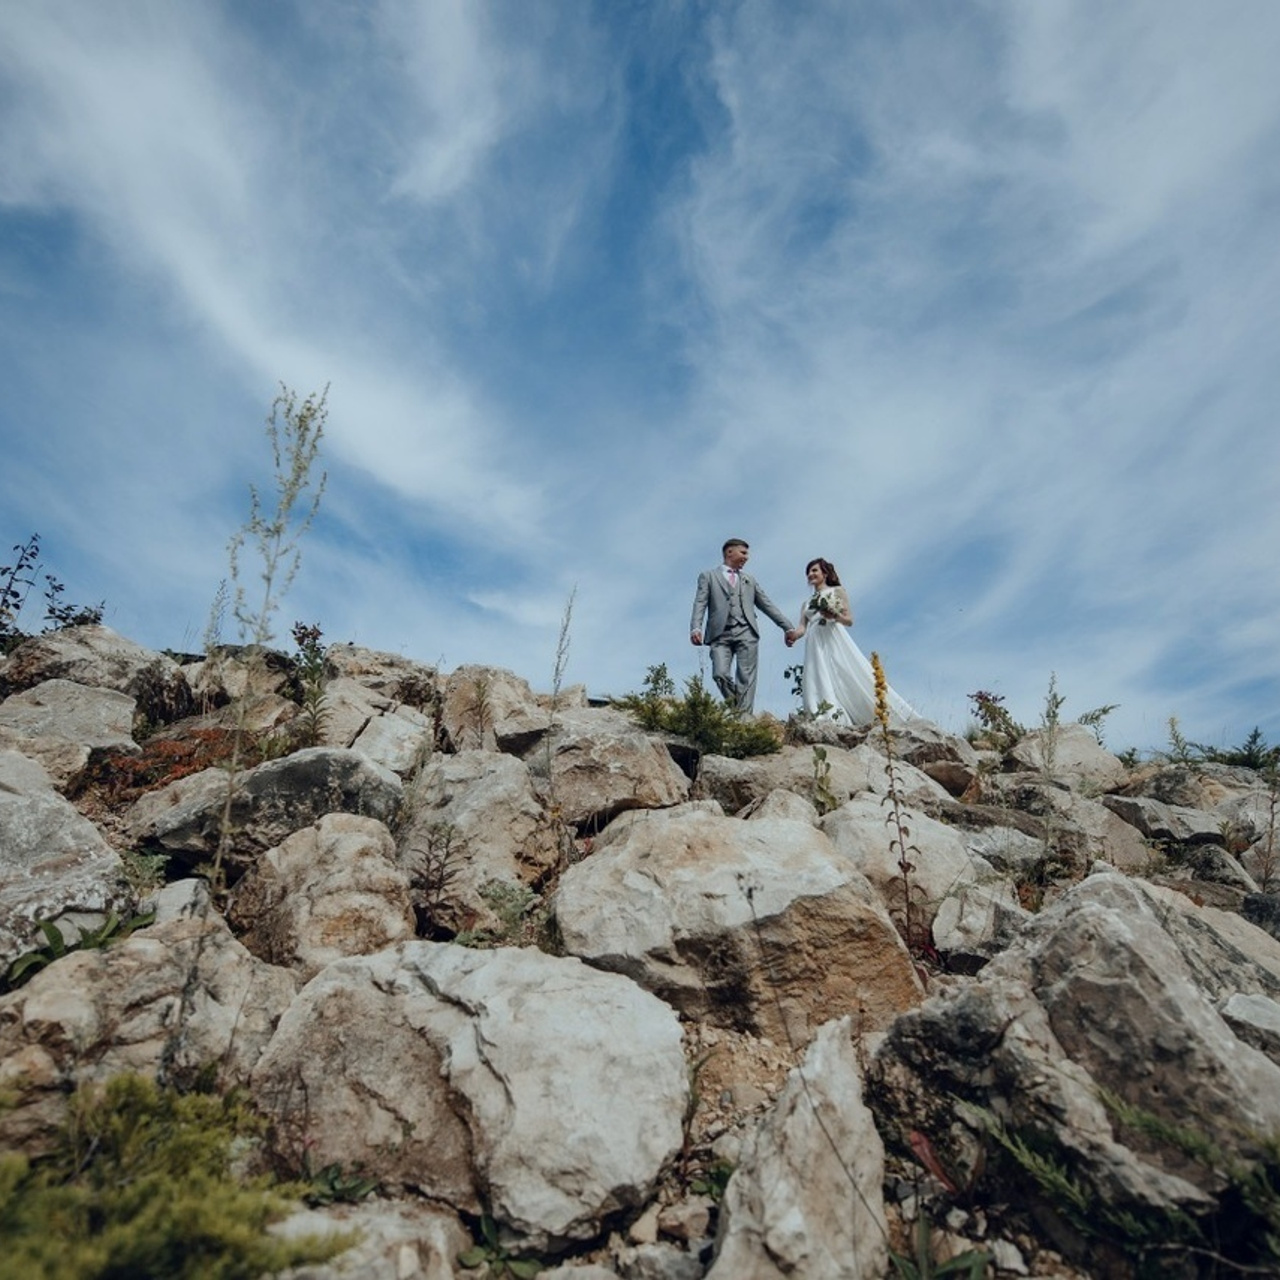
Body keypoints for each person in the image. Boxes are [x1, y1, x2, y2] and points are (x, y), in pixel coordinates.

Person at [786, 557, 918, 726]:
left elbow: (849, 620)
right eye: (808, 572)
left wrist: (834, 615)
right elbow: (802, 628)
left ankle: (879, 713)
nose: (810, 574)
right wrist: (793, 635)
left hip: (833, 636)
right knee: (817, 675)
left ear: (825, 573)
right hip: (814, 641)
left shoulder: (837, 591)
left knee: (846, 672)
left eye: (814, 570)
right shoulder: (806, 604)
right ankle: (824, 715)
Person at [690, 538, 797, 714]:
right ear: (729, 552)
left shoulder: (749, 580)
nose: (747, 557)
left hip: (747, 631)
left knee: (746, 676)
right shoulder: (708, 576)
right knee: (719, 674)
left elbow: (767, 604)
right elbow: (700, 603)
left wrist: (787, 627)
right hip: (719, 633)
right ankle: (739, 711)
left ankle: (744, 719)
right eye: (743, 553)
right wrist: (696, 627)